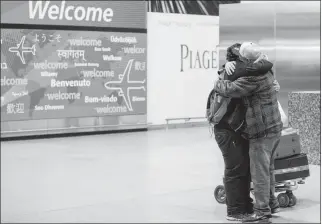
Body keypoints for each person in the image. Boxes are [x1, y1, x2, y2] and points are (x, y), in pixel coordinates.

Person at [213, 42, 283, 223]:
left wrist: (218, 80)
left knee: (260, 172)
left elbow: (229, 88)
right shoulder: (266, 69)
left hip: (261, 131)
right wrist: (225, 68)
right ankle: (270, 203)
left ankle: (262, 210)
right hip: (274, 128)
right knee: (267, 169)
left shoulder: (251, 76)